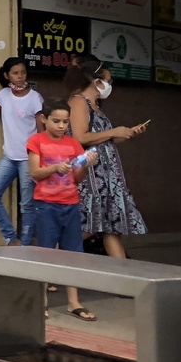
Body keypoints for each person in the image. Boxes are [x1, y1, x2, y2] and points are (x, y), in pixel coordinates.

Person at [64, 58, 150, 258]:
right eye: (108, 81)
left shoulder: (96, 106)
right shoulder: (79, 102)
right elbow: (80, 137)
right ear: (95, 81)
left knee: (111, 229)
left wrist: (127, 133)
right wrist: (113, 131)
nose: (110, 86)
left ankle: (123, 279)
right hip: (92, 176)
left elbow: (105, 141)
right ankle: (48, 267)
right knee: (89, 226)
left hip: (108, 176)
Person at [28, 99, 99, 321]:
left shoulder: (73, 144)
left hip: (70, 203)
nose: (61, 126)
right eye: (56, 121)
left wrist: (85, 165)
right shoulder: (36, 141)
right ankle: (42, 301)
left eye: (65, 122)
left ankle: (73, 302)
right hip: (46, 204)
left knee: (73, 253)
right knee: (46, 253)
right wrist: (55, 167)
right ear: (44, 119)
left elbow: (77, 178)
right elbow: (35, 173)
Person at [0, 58, 46, 246]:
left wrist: (40, 159)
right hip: (9, 157)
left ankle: (26, 245)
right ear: (6, 75)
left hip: (29, 158)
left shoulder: (35, 98)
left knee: (27, 205)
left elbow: (41, 132)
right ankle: (12, 240)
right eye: (15, 73)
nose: (20, 77)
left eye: (23, 72)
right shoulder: (4, 95)